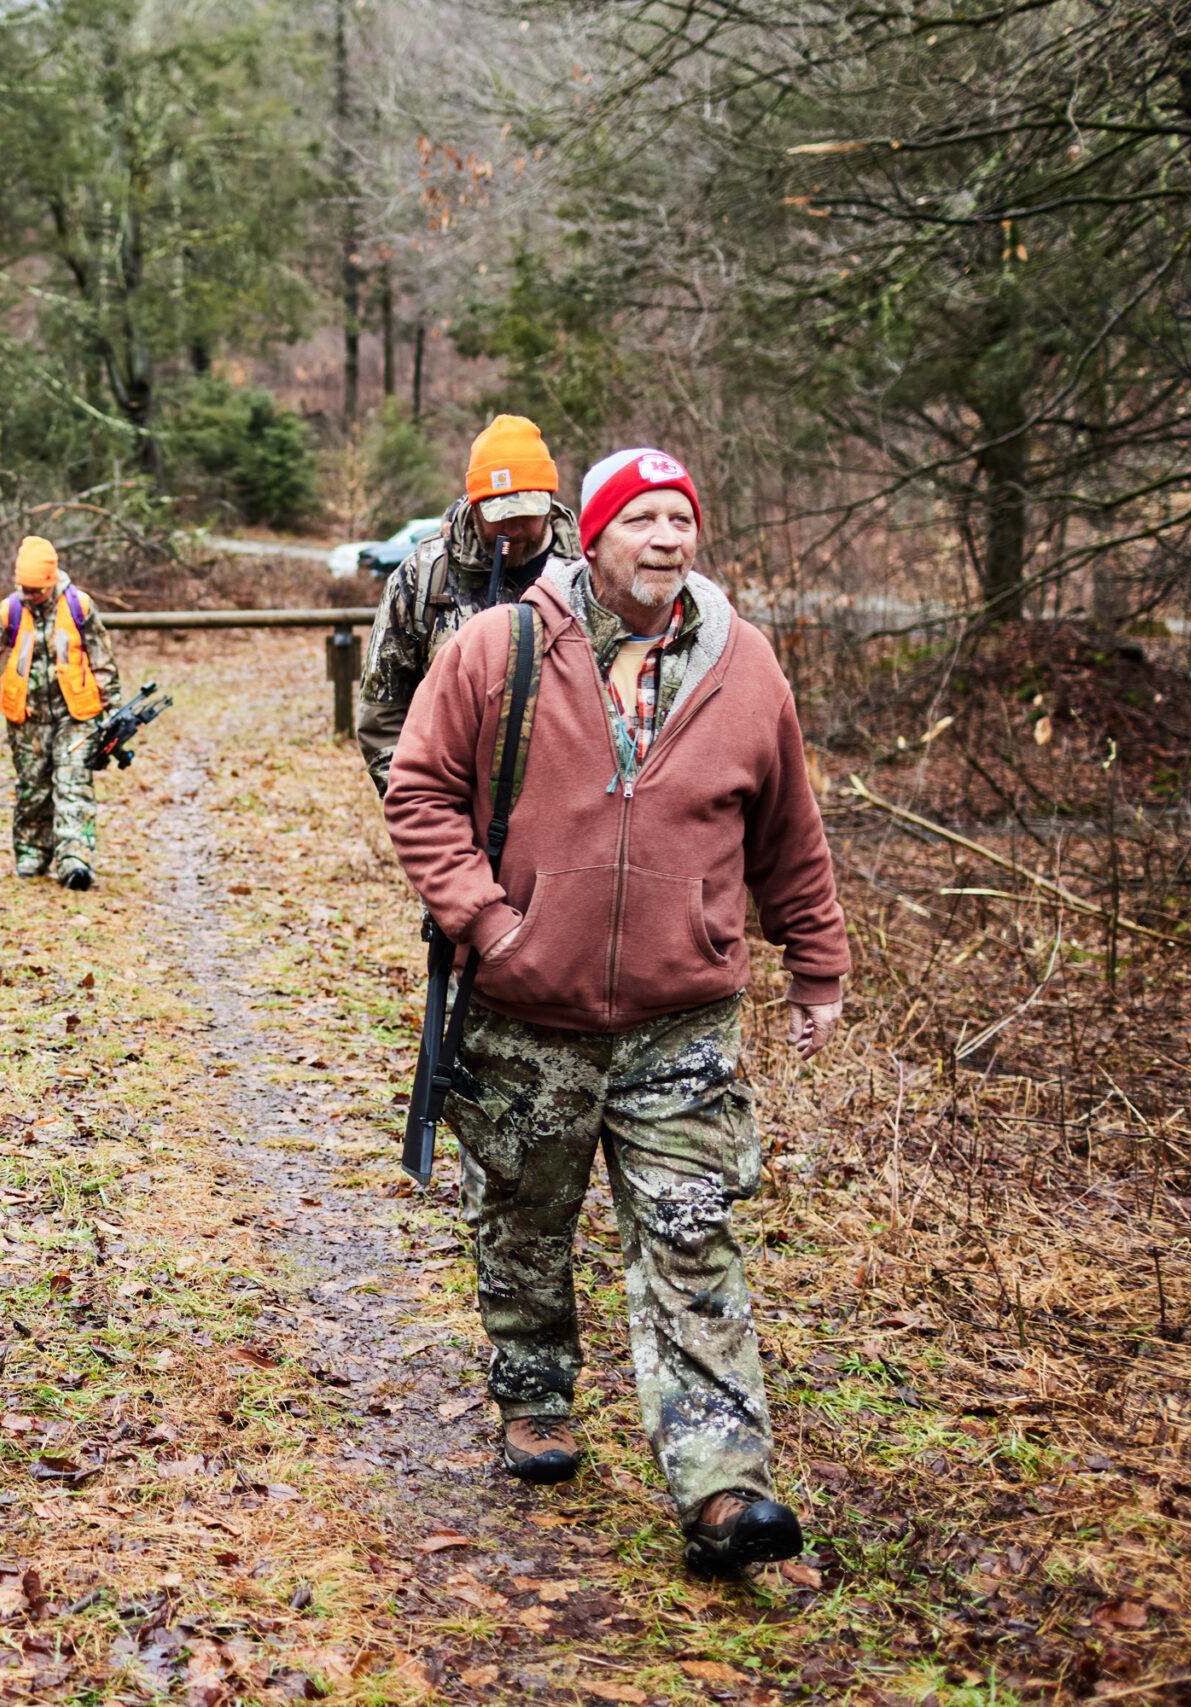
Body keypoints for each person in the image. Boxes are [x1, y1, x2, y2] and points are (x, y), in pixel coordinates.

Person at [382, 447, 851, 1576]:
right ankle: (534, 1391)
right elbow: (421, 788)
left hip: (680, 1020)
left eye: (680, 518)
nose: (665, 538)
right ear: (590, 538)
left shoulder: (743, 666)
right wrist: (489, 921)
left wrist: (818, 965)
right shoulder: (499, 647)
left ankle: (724, 1487)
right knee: (524, 1217)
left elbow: (787, 831)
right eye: (640, 519)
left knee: (692, 1237)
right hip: (526, 1012)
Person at [357, 415, 583, 796]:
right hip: (450, 807)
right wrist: (420, 808)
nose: (513, 529)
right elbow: (382, 716)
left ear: (549, 503)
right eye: (500, 516)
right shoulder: (422, 578)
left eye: (526, 514)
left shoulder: (587, 577)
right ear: (474, 505)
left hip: (561, 813)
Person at [0, 536, 119, 890]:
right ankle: (32, 854)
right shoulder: (9, 610)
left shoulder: (80, 606)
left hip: (76, 716)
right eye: (25, 588)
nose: (30, 595)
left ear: (51, 580)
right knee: (33, 789)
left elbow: (103, 662)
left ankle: (75, 860)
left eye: (37, 590)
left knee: (73, 784)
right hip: (27, 719)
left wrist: (113, 709)